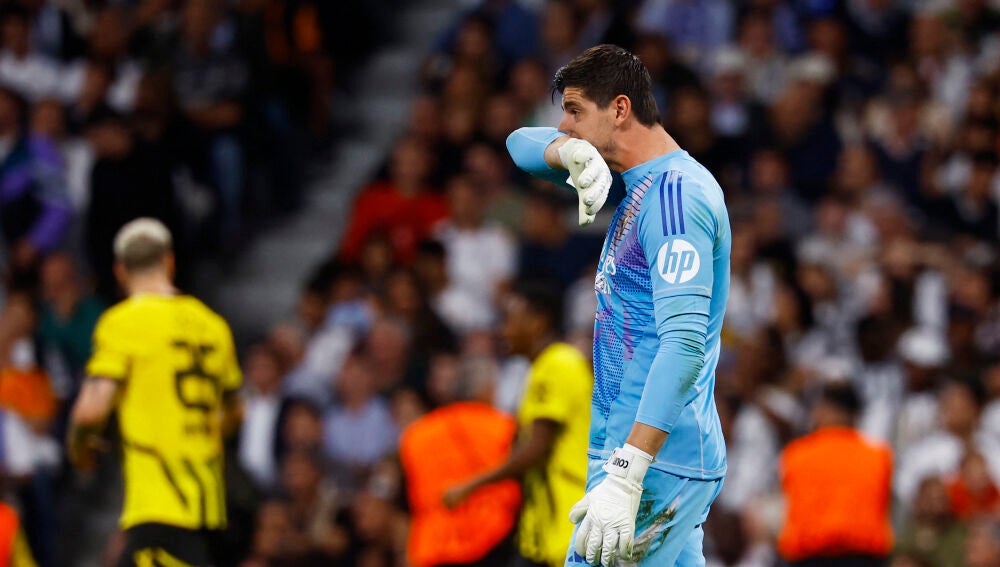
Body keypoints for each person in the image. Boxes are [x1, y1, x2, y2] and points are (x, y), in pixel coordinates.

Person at [506, 44, 731, 567]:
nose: (564, 126)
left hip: (650, 464)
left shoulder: (676, 199)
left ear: (620, 109)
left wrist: (628, 472)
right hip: (640, 456)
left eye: (575, 111)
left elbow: (684, 343)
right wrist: (566, 153)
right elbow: (517, 145)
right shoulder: (640, 186)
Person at [67, 218, 242, 567]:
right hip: (209, 505)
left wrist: (79, 449)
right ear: (169, 262)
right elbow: (234, 412)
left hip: (160, 504)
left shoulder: (123, 322)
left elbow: (91, 411)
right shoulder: (214, 326)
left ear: (120, 271)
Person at [443, 282, 592, 567]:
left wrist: (471, 486)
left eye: (511, 320)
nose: (504, 331)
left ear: (538, 322)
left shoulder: (559, 363)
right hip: (546, 528)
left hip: (567, 522)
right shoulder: (544, 366)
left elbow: (536, 449)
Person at [777, 382, 894, 566]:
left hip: (810, 558)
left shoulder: (796, 454)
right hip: (864, 559)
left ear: (825, 409)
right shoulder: (879, 456)